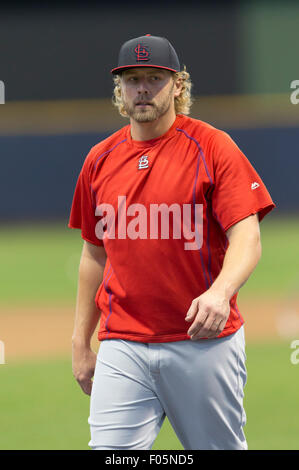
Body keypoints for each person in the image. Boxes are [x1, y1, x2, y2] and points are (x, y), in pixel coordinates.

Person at [68, 34, 275, 450]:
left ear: (178, 85)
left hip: (200, 342)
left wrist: (220, 293)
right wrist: (80, 341)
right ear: (120, 89)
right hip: (122, 342)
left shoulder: (212, 146)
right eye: (132, 79)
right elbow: (94, 252)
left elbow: (247, 236)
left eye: (154, 78)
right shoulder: (100, 159)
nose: (142, 88)